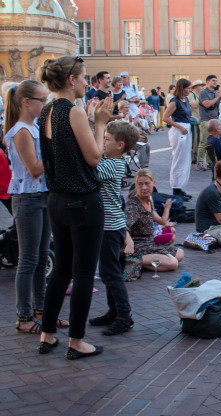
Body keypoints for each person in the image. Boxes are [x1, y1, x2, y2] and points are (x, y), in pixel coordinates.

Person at [38, 55, 113, 360]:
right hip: (82, 199)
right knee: (83, 273)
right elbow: (95, 157)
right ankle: (77, 341)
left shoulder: (46, 110)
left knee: (61, 272)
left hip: (56, 199)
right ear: (71, 79)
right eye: (83, 77)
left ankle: (47, 335)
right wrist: (101, 124)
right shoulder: (73, 111)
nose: (86, 82)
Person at [4, 81, 58, 335]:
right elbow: (34, 168)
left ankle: (40, 310)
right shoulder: (21, 130)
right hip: (27, 198)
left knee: (40, 257)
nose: (44, 104)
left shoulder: (33, 127)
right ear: (26, 102)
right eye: (41, 100)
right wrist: (56, 151)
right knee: (27, 260)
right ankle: (24, 315)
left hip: (41, 196)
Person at [89, 121, 139, 336]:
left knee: (111, 273)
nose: (103, 142)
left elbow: (90, 170)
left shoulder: (111, 164)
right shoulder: (113, 161)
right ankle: (114, 310)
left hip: (110, 227)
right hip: (111, 225)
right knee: (110, 272)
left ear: (119, 145)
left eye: (106, 139)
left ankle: (124, 316)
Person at [125, 169, 185, 272]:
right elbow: (123, 226)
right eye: (140, 184)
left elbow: (162, 221)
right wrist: (129, 243)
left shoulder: (148, 201)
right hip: (138, 246)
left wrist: (167, 208)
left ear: (153, 183)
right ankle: (130, 260)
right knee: (173, 263)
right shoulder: (133, 205)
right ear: (136, 185)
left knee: (180, 254)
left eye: (147, 184)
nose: (144, 188)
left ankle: (144, 262)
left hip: (150, 243)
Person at [163, 78, 194, 200]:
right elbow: (165, 117)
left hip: (185, 128)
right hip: (179, 130)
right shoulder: (174, 101)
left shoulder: (185, 99)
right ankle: (175, 188)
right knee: (178, 159)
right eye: (188, 88)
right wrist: (180, 127)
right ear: (182, 88)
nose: (190, 91)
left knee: (185, 159)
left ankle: (180, 187)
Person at [197, 75, 221, 171]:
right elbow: (207, 104)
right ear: (207, 82)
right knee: (204, 141)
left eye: (216, 80)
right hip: (206, 120)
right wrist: (218, 97)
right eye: (213, 81)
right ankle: (200, 162)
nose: (215, 82)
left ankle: (210, 162)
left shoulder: (215, 93)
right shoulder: (203, 92)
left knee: (212, 142)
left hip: (215, 119)